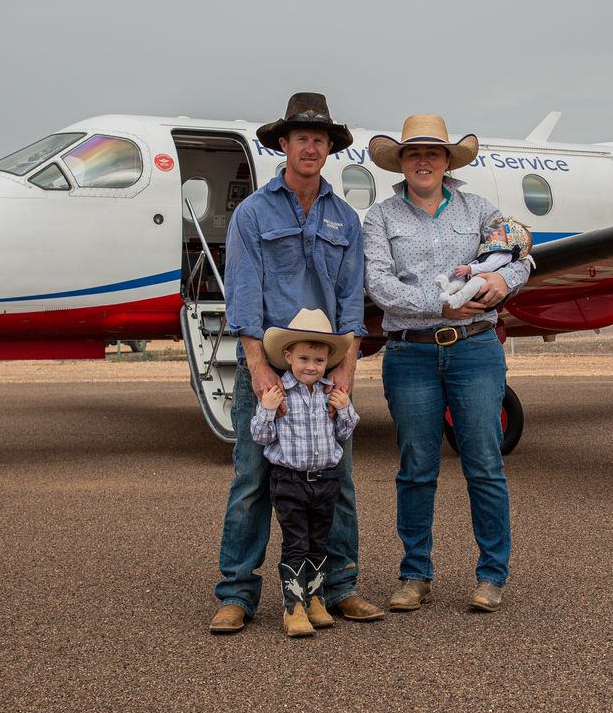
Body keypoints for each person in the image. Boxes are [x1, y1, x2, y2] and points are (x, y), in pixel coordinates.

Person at [209, 92, 384, 634]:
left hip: (326, 370)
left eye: (320, 139)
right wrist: (260, 372)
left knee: (338, 479)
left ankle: (339, 587)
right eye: (302, 138)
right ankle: (237, 592)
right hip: (269, 369)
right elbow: (244, 295)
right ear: (283, 144)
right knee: (252, 478)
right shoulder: (253, 213)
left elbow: (351, 301)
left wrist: (346, 372)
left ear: (330, 149)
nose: (311, 147)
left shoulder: (345, 219)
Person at [361, 114, 532, 613]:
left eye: (432, 153)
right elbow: (378, 283)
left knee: (484, 463)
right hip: (410, 352)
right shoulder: (380, 218)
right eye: (414, 153)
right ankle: (415, 574)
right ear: (401, 162)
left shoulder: (479, 209)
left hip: (475, 349)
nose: (423, 161)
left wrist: (503, 281)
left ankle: (492, 575)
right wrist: (439, 304)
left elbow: (518, 254)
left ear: (447, 161)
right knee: (416, 467)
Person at [250, 309, 360, 637]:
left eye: (318, 360)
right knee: (296, 543)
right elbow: (261, 436)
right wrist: (267, 409)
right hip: (289, 481)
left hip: (326, 479)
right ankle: (293, 607)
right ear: (288, 356)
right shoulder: (278, 393)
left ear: (327, 361)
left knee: (318, 542)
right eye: (304, 359)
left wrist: (345, 408)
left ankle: (315, 599)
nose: (311, 366)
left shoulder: (330, 392)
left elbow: (344, 432)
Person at [436, 217, 534, 310]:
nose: (493, 232)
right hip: (475, 282)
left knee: (475, 282)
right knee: (461, 284)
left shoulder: (503, 255)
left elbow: (488, 266)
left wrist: (469, 269)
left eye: (499, 233)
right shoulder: (494, 251)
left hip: (484, 286)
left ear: (510, 243)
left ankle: (456, 300)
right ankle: (449, 288)